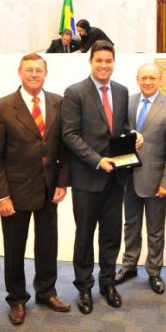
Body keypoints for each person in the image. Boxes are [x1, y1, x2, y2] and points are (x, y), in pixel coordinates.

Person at [0, 54, 72, 326]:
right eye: (29, 70)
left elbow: (64, 149)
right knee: (14, 248)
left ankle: (46, 292)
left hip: (49, 189)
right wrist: (1, 195)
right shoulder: (1, 107)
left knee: (48, 244)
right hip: (14, 190)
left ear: (45, 73)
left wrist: (62, 182)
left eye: (39, 70)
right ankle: (17, 298)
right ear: (19, 72)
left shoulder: (59, 102)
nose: (34, 74)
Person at [61, 40, 135, 314]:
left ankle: (107, 283)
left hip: (116, 178)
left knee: (112, 236)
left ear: (114, 62)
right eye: (99, 61)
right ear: (90, 62)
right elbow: (69, 134)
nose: (104, 65)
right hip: (87, 179)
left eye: (109, 61)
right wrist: (96, 160)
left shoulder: (122, 91)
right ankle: (84, 287)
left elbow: (121, 127)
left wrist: (132, 137)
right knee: (84, 237)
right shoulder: (75, 92)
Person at [115, 63, 166, 294]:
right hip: (128, 178)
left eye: (152, 78)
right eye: (143, 77)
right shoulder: (127, 103)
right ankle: (129, 265)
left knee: (155, 229)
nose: (147, 82)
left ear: (161, 80)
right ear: (137, 78)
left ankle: (154, 271)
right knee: (130, 225)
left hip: (156, 182)